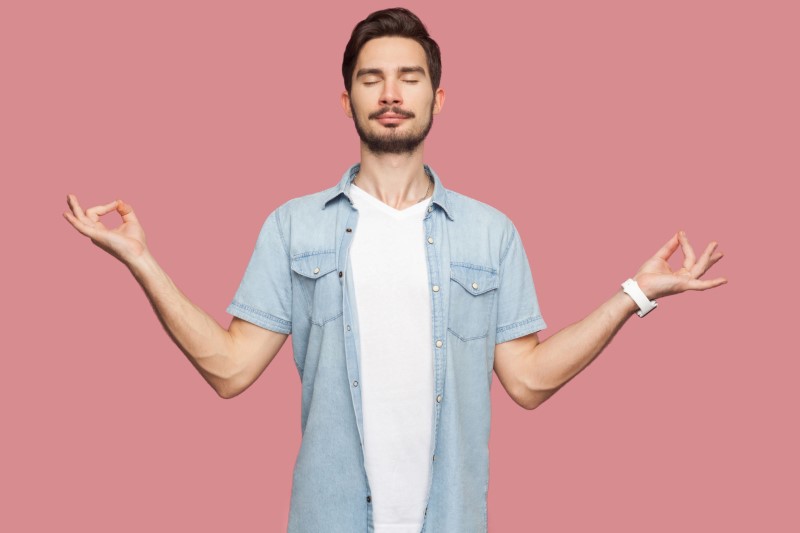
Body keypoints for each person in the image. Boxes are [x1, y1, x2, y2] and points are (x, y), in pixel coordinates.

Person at [63, 7, 726, 533]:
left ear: (438, 98)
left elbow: (527, 380)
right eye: (370, 77)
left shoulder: (489, 232)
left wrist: (635, 293)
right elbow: (231, 369)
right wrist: (141, 261)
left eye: (409, 77)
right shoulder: (296, 226)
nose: (390, 93)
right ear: (345, 98)